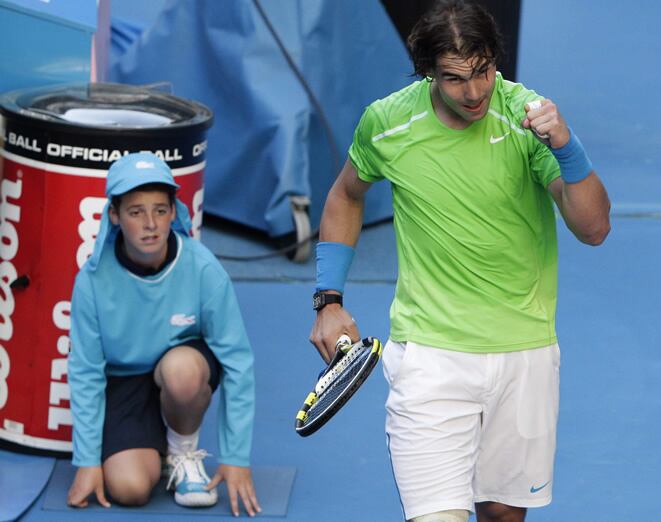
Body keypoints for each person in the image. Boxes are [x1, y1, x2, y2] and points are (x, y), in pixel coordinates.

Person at [309, 1, 610, 521]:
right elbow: (345, 195)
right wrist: (328, 298)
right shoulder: (386, 123)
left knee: (501, 514)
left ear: (495, 60)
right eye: (454, 78)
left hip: (525, 351)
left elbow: (594, 228)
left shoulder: (526, 118)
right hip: (429, 355)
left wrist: (566, 144)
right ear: (428, 72)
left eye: (484, 71)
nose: (474, 92)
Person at [67, 152, 262, 517]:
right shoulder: (91, 282)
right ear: (114, 216)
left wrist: (236, 458)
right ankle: (154, 444)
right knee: (130, 489)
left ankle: (182, 451)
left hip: (180, 369)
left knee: (181, 370)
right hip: (124, 381)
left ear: (174, 212)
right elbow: (85, 371)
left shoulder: (203, 269)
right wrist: (87, 460)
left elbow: (238, 362)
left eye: (159, 209)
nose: (150, 224)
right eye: (136, 211)